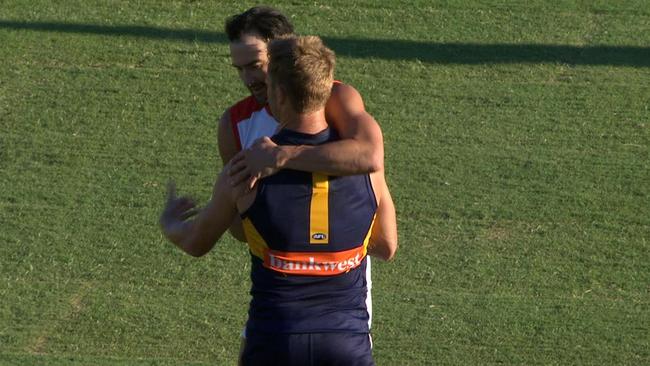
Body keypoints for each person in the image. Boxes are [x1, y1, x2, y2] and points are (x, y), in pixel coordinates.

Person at [160, 35, 397, 365]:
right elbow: (387, 245)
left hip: (273, 342)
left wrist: (171, 223)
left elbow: (195, 241)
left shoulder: (244, 170)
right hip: (345, 343)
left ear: (279, 94)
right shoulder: (368, 169)